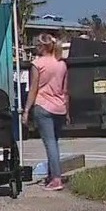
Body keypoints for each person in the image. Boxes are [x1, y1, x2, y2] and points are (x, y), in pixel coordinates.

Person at [21, 33, 70, 191]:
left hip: (43, 106)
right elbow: (65, 90)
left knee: (49, 143)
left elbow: (33, 89)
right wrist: (67, 111)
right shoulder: (61, 64)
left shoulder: (37, 64)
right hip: (60, 107)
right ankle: (52, 174)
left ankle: (56, 178)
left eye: (37, 45)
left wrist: (26, 110)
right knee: (54, 142)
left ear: (42, 47)